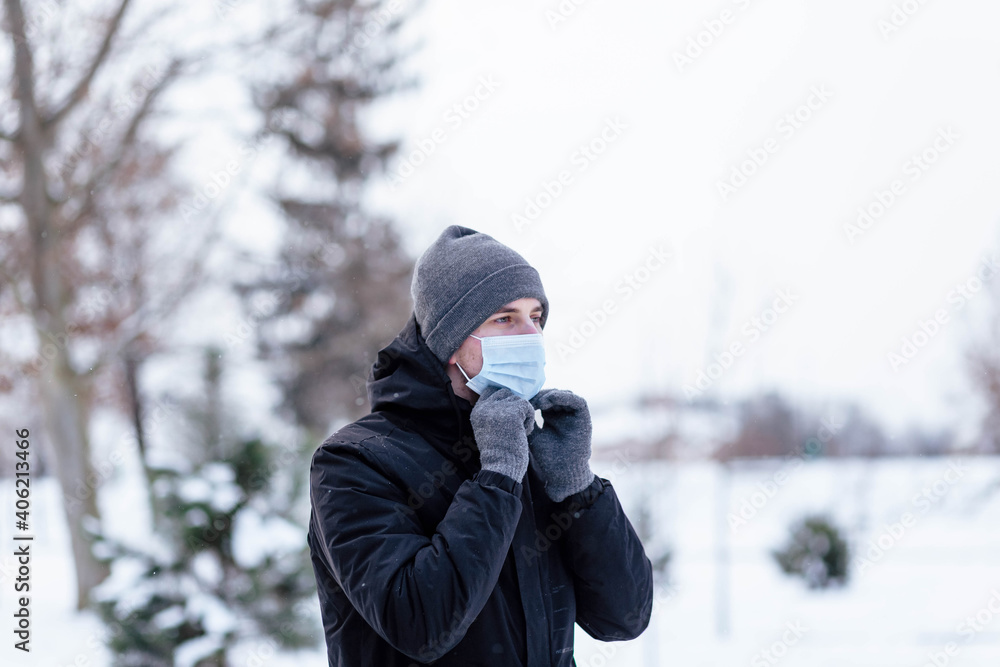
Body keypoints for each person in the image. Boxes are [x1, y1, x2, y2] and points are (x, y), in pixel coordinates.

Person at [307, 225, 653, 666]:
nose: (529, 334)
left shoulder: (530, 450)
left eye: (536, 317)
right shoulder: (354, 461)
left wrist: (577, 486)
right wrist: (496, 478)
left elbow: (624, 618)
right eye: (504, 318)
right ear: (450, 341)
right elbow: (421, 625)